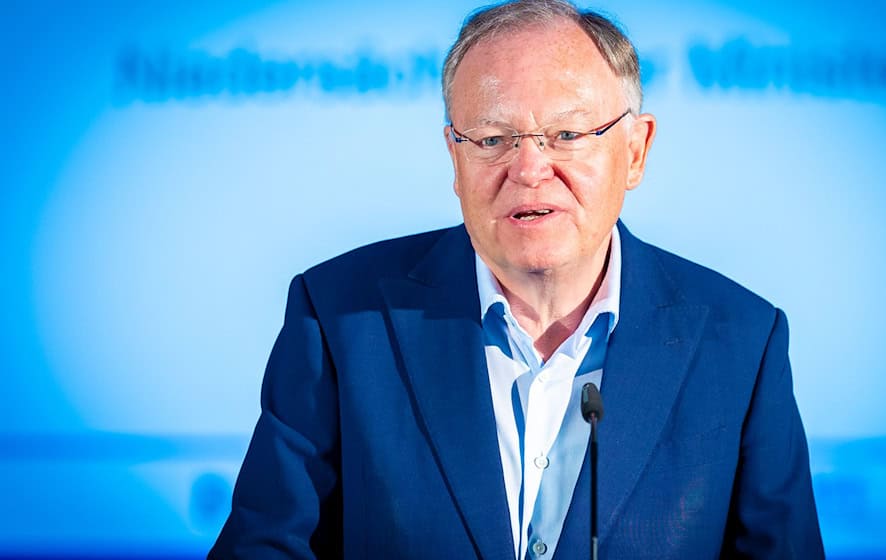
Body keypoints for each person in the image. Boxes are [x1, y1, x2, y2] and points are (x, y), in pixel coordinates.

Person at [210, 0, 824, 558]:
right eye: (494, 138)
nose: (529, 169)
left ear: (635, 151)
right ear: (455, 157)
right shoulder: (341, 316)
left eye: (567, 135)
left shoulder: (742, 340)